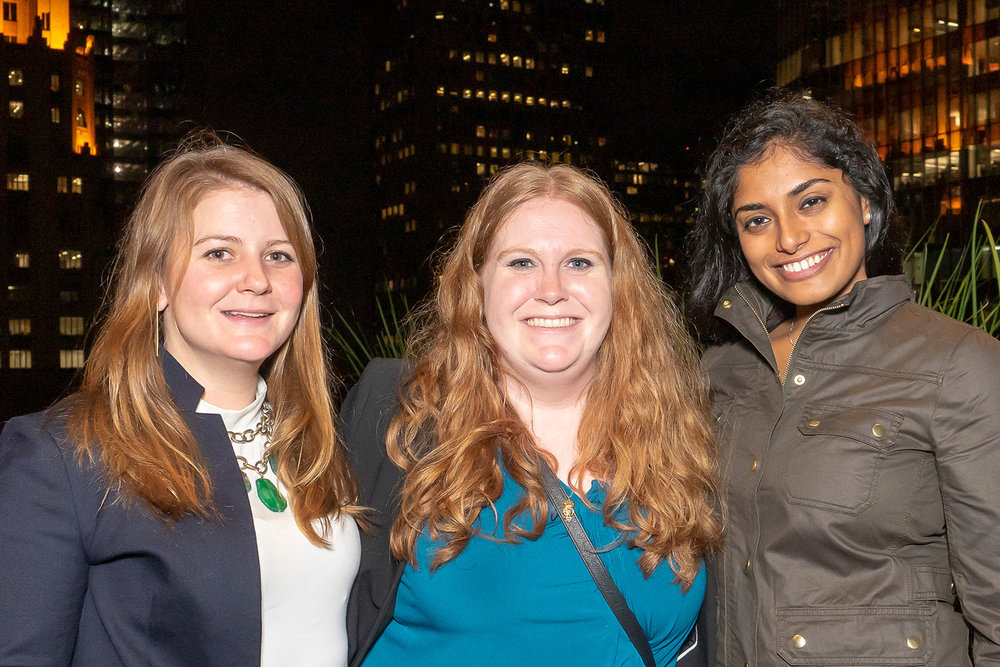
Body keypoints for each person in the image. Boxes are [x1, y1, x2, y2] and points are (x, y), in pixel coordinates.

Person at [342, 162, 723, 667]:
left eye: (580, 263)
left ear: (618, 285)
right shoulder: (399, 419)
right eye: (521, 263)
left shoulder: (680, 435)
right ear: (477, 286)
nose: (551, 288)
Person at [0, 136, 363, 665]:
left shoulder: (319, 441)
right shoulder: (60, 456)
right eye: (219, 252)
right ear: (157, 283)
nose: (257, 280)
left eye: (278, 256)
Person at [687, 89, 1000, 666]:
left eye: (811, 202)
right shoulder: (719, 371)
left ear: (864, 202)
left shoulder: (960, 363)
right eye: (757, 220)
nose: (788, 238)